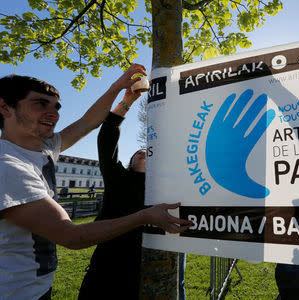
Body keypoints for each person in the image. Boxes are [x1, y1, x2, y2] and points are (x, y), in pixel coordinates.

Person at [0, 68, 191, 300]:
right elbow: (72, 236)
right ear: (5, 107)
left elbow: (89, 121)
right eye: (40, 104)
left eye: (57, 106)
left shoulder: (44, 148)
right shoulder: (8, 167)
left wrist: (120, 92)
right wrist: (145, 216)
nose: (54, 114)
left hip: (35, 287)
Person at [78, 89, 186, 299]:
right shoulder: (117, 177)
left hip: (149, 264)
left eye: (148, 152)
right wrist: (127, 102)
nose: (142, 152)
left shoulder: (167, 184)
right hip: (109, 261)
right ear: (130, 162)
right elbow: (107, 138)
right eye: (138, 152)